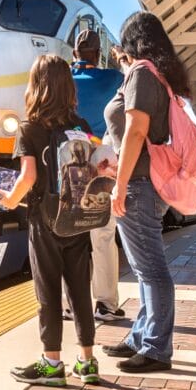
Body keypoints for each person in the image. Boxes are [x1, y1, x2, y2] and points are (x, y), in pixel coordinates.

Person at [0, 54, 99, 386]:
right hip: (78, 218)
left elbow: (27, 177)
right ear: (68, 87)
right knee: (80, 290)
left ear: (36, 86)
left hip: (44, 221)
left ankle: (51, 363)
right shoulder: (81, 127)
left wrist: (9, 199)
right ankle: (87, 361)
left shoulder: (29, 128)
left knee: (48, 292)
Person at [101, 12, 191, 373]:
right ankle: (141, 335)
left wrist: (119, 185)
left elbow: (137, 131)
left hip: (139, 184)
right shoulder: (157, 74)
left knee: (151, 269)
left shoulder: (141, 72)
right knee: (143, 269)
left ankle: (156, 348)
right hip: (145, 181)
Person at [68, 30, 126, 323]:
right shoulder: (113, 79)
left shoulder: (64, 77)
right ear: (98, 52)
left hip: (69, 158)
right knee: (102, 234)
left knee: (70, 232)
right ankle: (105, 304)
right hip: (102, 158)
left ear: (75, 52)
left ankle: (70, 304)